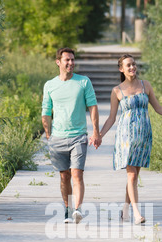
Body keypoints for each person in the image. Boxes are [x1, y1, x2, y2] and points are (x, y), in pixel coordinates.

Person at [97, 54, 162, 224]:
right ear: (121, 69)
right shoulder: (117, 91)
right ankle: (137, 214)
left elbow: (158, 108)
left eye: (133, 64)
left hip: (144, 135)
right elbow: (111, 118)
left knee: (134, 175)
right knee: (131, 176)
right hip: (126, 137)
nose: (132, 68)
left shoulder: (145, 85)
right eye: (128, 65)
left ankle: (124, 212)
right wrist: (99, 135)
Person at [42, 47, 102, 224]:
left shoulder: (83, 82)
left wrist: (96, 132)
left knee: (77, 174)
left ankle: (77, 209)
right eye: (67, 60)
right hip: (58, 137)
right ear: (58, 62)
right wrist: (48, 134)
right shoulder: (50, 85)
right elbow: (45, 111)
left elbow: (93, 107)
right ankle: (67, 209)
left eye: (73, 60)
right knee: (64, 176)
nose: (71, 63)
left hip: (78, 136)